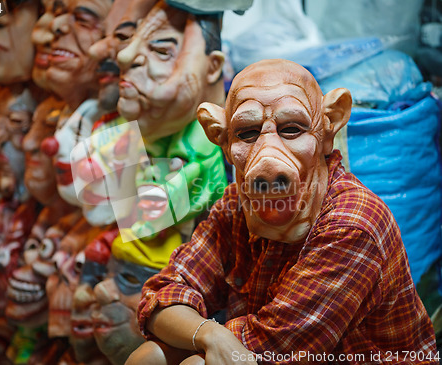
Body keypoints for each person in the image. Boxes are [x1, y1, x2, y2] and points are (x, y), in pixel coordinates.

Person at [126, 59, 438, 364]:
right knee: (150, 356)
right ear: (222, 139)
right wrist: (208, 334)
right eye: (247, 133)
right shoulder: (236, 204)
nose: (269, 159)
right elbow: (163, 294)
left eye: (292, 129)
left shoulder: (352, 225)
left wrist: (203, 335)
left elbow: (276, 346)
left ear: (328, 126)